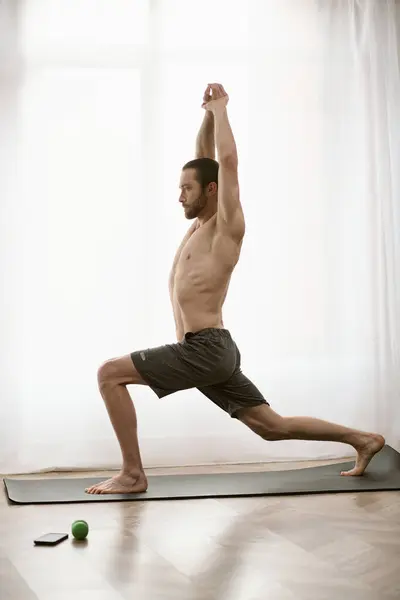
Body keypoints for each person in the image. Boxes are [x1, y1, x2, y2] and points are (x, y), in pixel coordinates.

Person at [86, 83, 385, 495]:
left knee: (108, 374)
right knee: (271, 427)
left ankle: (133, 474)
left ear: (211, 191)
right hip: (211, 351)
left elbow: (225, 162)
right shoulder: (199, 225)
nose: (179, 196)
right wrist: (207, 114)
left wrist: (224, 110)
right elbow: (206, 158)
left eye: (186, 189)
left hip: (204, 350)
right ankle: (364, 439)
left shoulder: (226, 226)